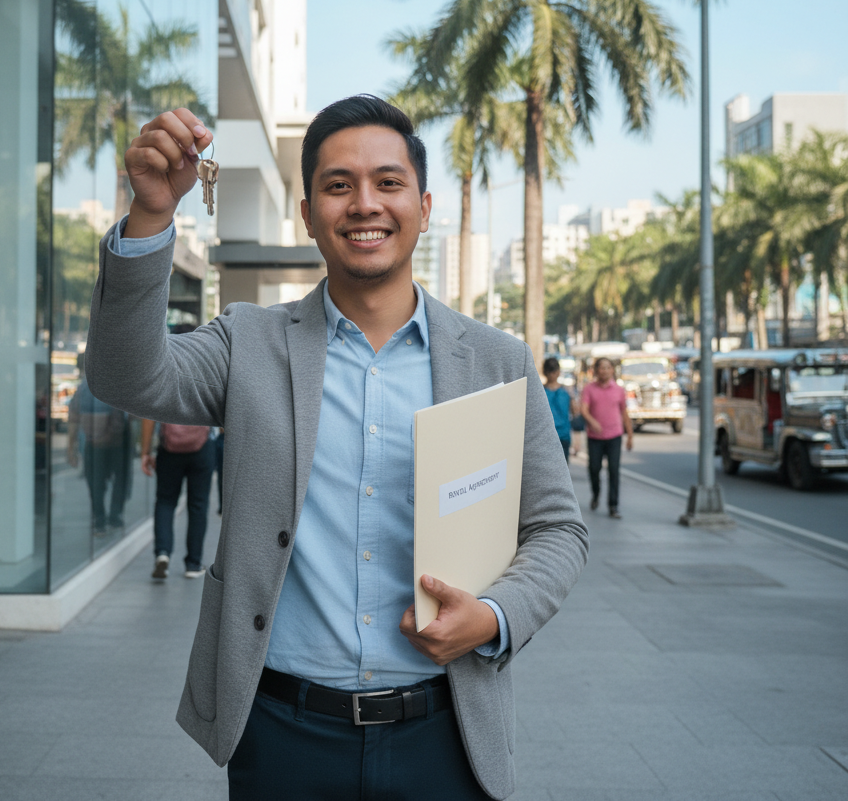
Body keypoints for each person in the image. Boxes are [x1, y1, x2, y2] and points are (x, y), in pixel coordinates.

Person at [85, 97, 589, 800]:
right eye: (338, 185)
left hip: (447, 736)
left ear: (424, 204)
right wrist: (150, 220)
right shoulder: (248, 343)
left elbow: (557, 527)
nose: (364, 204)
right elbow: (123, 374)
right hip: (285, 734)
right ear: (307, 211)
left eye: (388, 183)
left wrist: (495, 617)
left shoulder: (497, 362)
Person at [140, 324, 214, 580]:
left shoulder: (162, 371)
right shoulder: (206, 367)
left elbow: (148, 416)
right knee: (198, 505)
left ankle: (162, 553)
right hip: (201, 447)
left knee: (166, 501)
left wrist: (145, 451)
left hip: (169, 449)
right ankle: (193, 564)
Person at [67, 352, 129, 535]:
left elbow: (73, 418)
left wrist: (71, 447)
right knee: (119, 480)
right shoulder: (114, 386)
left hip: (93, 445)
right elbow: (122, 418)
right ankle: (115, 516)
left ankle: (99, 519)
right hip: (114, 445)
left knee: (95, 483)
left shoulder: (82, 389)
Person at [580, 357, 634, 518]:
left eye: (608, 367)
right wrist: (592, 422)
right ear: (596, 370)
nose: (604, 371)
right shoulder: (589, 389)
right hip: (594, 437)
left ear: (612, 370)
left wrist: (630, 435)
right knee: (594, 469)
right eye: (601, 368)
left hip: (614, 436)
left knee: (614, 470)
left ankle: (613, 505)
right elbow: (584, 410)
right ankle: (596, 494)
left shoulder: (618, 390)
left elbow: (624, 413)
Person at [542, 357, 573, 462]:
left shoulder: (566, 392)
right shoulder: (540, 392)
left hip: (563, 435)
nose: (552, 375)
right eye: (550, 371)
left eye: (554, 371)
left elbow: (575, 412)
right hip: (545, 437)